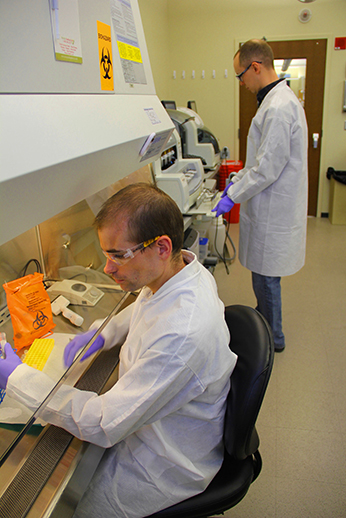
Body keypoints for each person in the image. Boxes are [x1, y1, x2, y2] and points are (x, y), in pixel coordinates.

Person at [0, 183, 237, 518]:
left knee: (73, 508)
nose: (108, 269)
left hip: (163, 462)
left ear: (161, 246)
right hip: (153, 427)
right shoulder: (180, 271)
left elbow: (105, 423)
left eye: (117, 255)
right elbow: (148, 305)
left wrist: (19, 379)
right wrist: (102, 333)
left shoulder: (182, 334)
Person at [213, 39, 308, 352]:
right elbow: (260, 161)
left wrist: (233, 195)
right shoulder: (274, 101)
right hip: (268, 204)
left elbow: (267, 169)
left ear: (255, 67)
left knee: (266, 279)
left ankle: (273, 338)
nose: (241, 84)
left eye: (241, 76)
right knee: (263, 276)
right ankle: (265, 320)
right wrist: (236, 181)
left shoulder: (280, 108)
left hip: (274, 210)